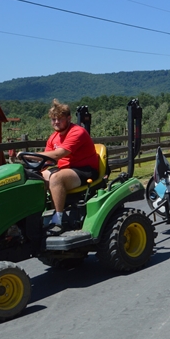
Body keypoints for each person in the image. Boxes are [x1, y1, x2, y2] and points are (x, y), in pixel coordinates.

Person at [38, 99, 99, 236]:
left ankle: (58, 220)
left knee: (56, 178)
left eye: (59, 119)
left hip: (85, 169)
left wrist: (32, 155)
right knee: (35, 177)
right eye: (53, 120)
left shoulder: (77, 132)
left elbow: (59, 154)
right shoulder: (53, 137)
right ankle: (34, 216)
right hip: (66, 170)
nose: (56, 122)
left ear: (69, 118)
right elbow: (47, 160)